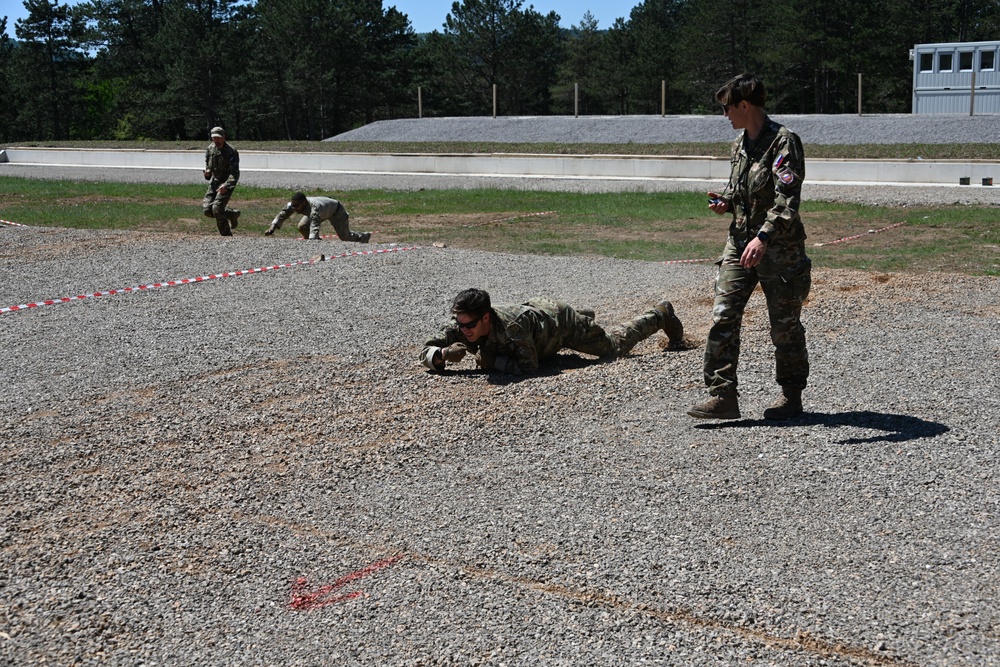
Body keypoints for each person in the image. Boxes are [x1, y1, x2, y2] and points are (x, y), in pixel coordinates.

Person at [687, 73, 811, 421]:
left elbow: (787, 201)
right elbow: (741, 191)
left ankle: (791, 395)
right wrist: (726, 201)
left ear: (744, 105)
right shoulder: (739, 145)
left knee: (784, 326)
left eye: (727, 108)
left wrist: (764, 236)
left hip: (779, 251)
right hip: (740, 244)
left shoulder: (784, 142)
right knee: (723, 315)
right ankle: (723, 395)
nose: (724, 115)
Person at [420, 288, 684, 375]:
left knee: (612, 348)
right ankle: (585, 319)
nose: (463, 330)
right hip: (539, 318)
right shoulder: (462, 325)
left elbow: (529, 365)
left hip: (560, 326)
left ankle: (659, 314)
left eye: (469, 325)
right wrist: (441, 354)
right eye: (460, 324)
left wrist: (491, 361)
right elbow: (426, 349)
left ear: (486, 317)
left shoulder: (513, 327)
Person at [265, 192, 371, 242]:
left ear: (304, 203)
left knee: (345, 237)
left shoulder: (314, 209)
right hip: (323, 211)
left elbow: (314, 226)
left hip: (336, 211)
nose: (295, 208)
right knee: (302, 226)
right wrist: (273, 227)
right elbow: (282, 214)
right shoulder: (293, 205)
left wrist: (313, 240)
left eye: (297, 206)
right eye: (293, 205)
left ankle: (363, 236)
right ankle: (312, 242)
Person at [202, 126, 241, 236]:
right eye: (214, 138)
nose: (216, 141)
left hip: (226, 183)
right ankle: (231, 215)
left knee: (217, 208)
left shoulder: (231, 151)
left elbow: (235, 173)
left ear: (224, 137)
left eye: (218, 138)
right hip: (215, 182)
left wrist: (226, 185)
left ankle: (226, 236)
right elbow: (208, 165)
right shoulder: (210, 149)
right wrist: (207, 173)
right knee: (207, 210)